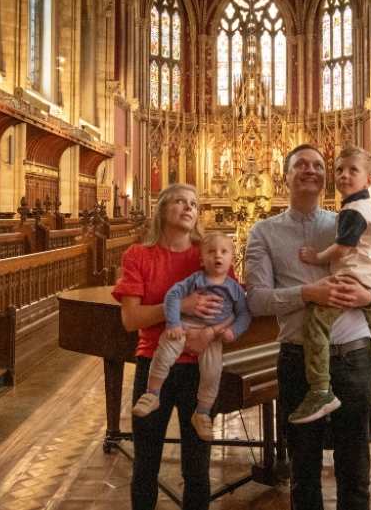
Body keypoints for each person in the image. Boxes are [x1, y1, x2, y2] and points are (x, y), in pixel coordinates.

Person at [245, 144, 371, 510]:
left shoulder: (346, 219)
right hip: (298, 361)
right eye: (301, 165)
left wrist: (369, 298)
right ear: (284, 176)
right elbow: (257, 299)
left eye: (317, 165)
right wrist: (308, 293)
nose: (311, 170)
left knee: (355, 470)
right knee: (304, 473)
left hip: (353, 357)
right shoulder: (264, 232)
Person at [113, 184, 219, 510]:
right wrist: (179, 306)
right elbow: (131, 320)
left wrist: (212, 332)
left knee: (197, 467)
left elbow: (228, 302)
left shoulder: (207, 254)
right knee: (145, 463)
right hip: (152, 367)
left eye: (193, 204)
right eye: (179, 202)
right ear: (162, 209)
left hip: (197, 370)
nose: (188, 208)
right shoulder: (138, 255)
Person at [292, 146, 371, 423]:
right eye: (339, 170)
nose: (343, 175)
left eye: (353, 170)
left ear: (369, 179)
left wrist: (317, 257)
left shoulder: (352, 211)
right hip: (368, 275)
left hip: (353, 278)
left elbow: (342, 249)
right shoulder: (367, 209)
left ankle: (320, 390)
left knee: (315, 322)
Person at [132, 232, 250, 443]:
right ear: (201, 259)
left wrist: (233, 331)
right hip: (184, 326)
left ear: (232, 258)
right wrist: (173, 322)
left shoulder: (234, 288)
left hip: (212, 337)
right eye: (211, 252)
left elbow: (243, 313)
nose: (218, 256)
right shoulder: (196, 279)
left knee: (213, 371)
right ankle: (152, 394)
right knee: (164, 353)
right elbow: (172, 296)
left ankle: (203, 412)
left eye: (224, 252)